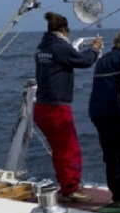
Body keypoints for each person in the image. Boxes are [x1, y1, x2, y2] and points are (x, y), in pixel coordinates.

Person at [34, 11, 102, 202]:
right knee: (70, 149)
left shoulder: (41, 47)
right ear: (64, 30)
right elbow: (85, 61)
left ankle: (66, 184)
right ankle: (71, 188)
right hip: (57, 109)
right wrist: (95, 48)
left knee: (59, 150)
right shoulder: (61, 47)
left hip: (41, 107)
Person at [89, 30, 120, 209]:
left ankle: (118, 197)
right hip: (118, 113)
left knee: (111, 156)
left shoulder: (103, 59)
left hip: (98, 112)